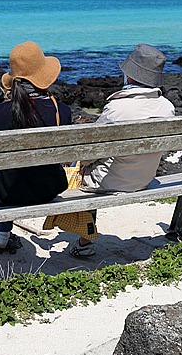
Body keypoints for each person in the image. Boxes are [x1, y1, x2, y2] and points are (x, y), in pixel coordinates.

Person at [67, 43, 175, 258]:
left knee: (78, 168)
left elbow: (91, 153)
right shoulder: (167, 107)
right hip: (144, 177)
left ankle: (84, 242)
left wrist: (78, 163)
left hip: (111, 181)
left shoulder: (117, 108)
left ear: (130, 76)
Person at [0, 41, 72, 253]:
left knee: (6, 173)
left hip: (6, 193)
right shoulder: (62, 111)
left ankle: (1, 235)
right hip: (47, 189)